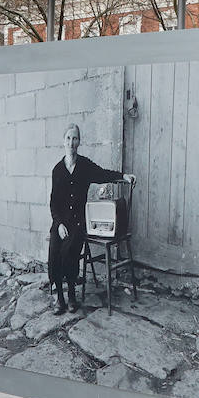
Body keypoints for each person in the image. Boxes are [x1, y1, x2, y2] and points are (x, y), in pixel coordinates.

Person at [48, 124, 135, 315]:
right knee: (54, 249)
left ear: (79, 141)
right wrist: (59, 224)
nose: (72, 143)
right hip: (61, 222)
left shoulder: (85, 166)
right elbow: (53, 203)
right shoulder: (57, 170)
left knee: (70, 250)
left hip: (79, 221)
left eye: (75, 138)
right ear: (64, 141)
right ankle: (59, 298)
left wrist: (123, 176)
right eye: (69, 138)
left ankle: (71, 295)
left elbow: (103, 174)